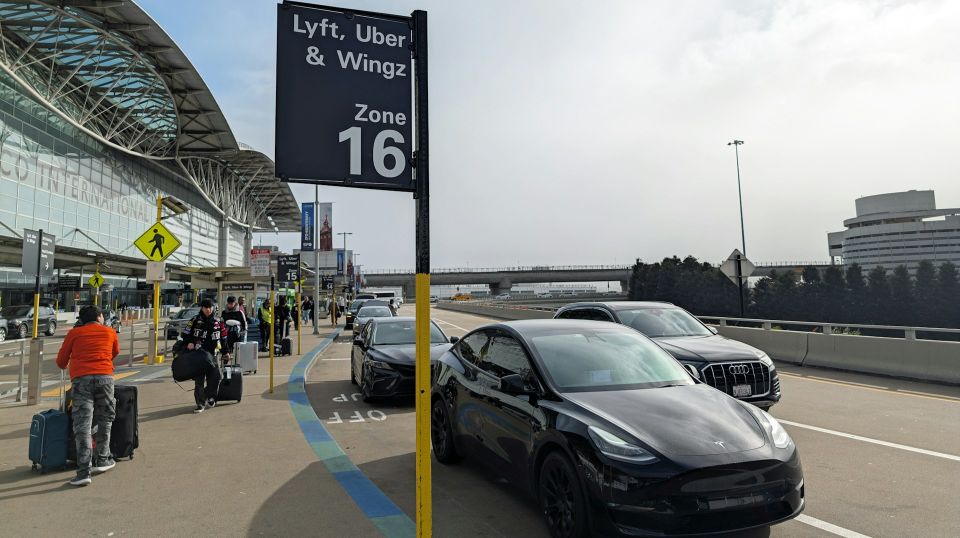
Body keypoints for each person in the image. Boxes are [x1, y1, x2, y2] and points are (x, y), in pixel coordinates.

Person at [56, 305, 119, 487]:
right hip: (105, 378)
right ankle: (103, 459)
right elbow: (114, 353)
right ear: (99, 317)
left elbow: (61, 362)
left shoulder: (74, 334)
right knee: (106, 418)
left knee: (82, 424)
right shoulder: (110, 332)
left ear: (81, 320)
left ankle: (84, 471)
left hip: (81, 380)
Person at [181, 299, 227, 413]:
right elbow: (185, 334)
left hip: (213, 354)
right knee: (199, 380)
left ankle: (210, 396)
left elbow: (224, 337)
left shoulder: (219, 320)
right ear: (201, 308)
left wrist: (226, 352)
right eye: (206, 307)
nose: (208, 309)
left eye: (210, 307)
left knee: (216, 377)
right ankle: (200, 403)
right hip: (198, 355)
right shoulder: (194, 320)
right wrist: (189, 342)